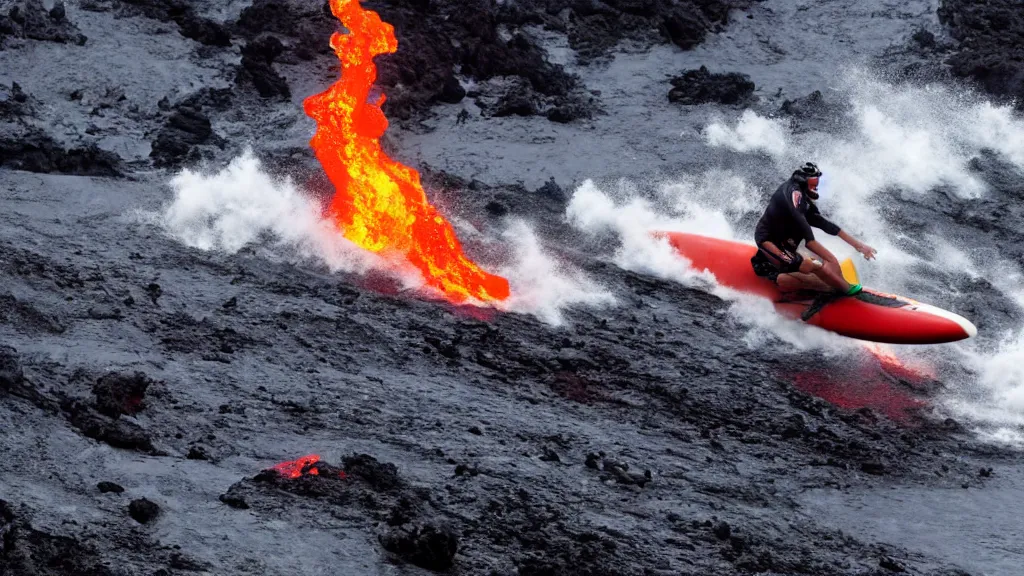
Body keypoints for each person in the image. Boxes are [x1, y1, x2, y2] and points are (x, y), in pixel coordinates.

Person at [750, 162, 876, 295]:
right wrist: (840, 285)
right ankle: (836, 288)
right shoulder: (793, 197)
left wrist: (859, 246)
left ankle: (837, 285)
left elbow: (827, 226)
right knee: (808, 266)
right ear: (803, 181)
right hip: (769, 241)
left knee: (827, 260)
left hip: (786, 244)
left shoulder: (805, 204)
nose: (816, 188)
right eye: (813, 183)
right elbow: (810, 241)